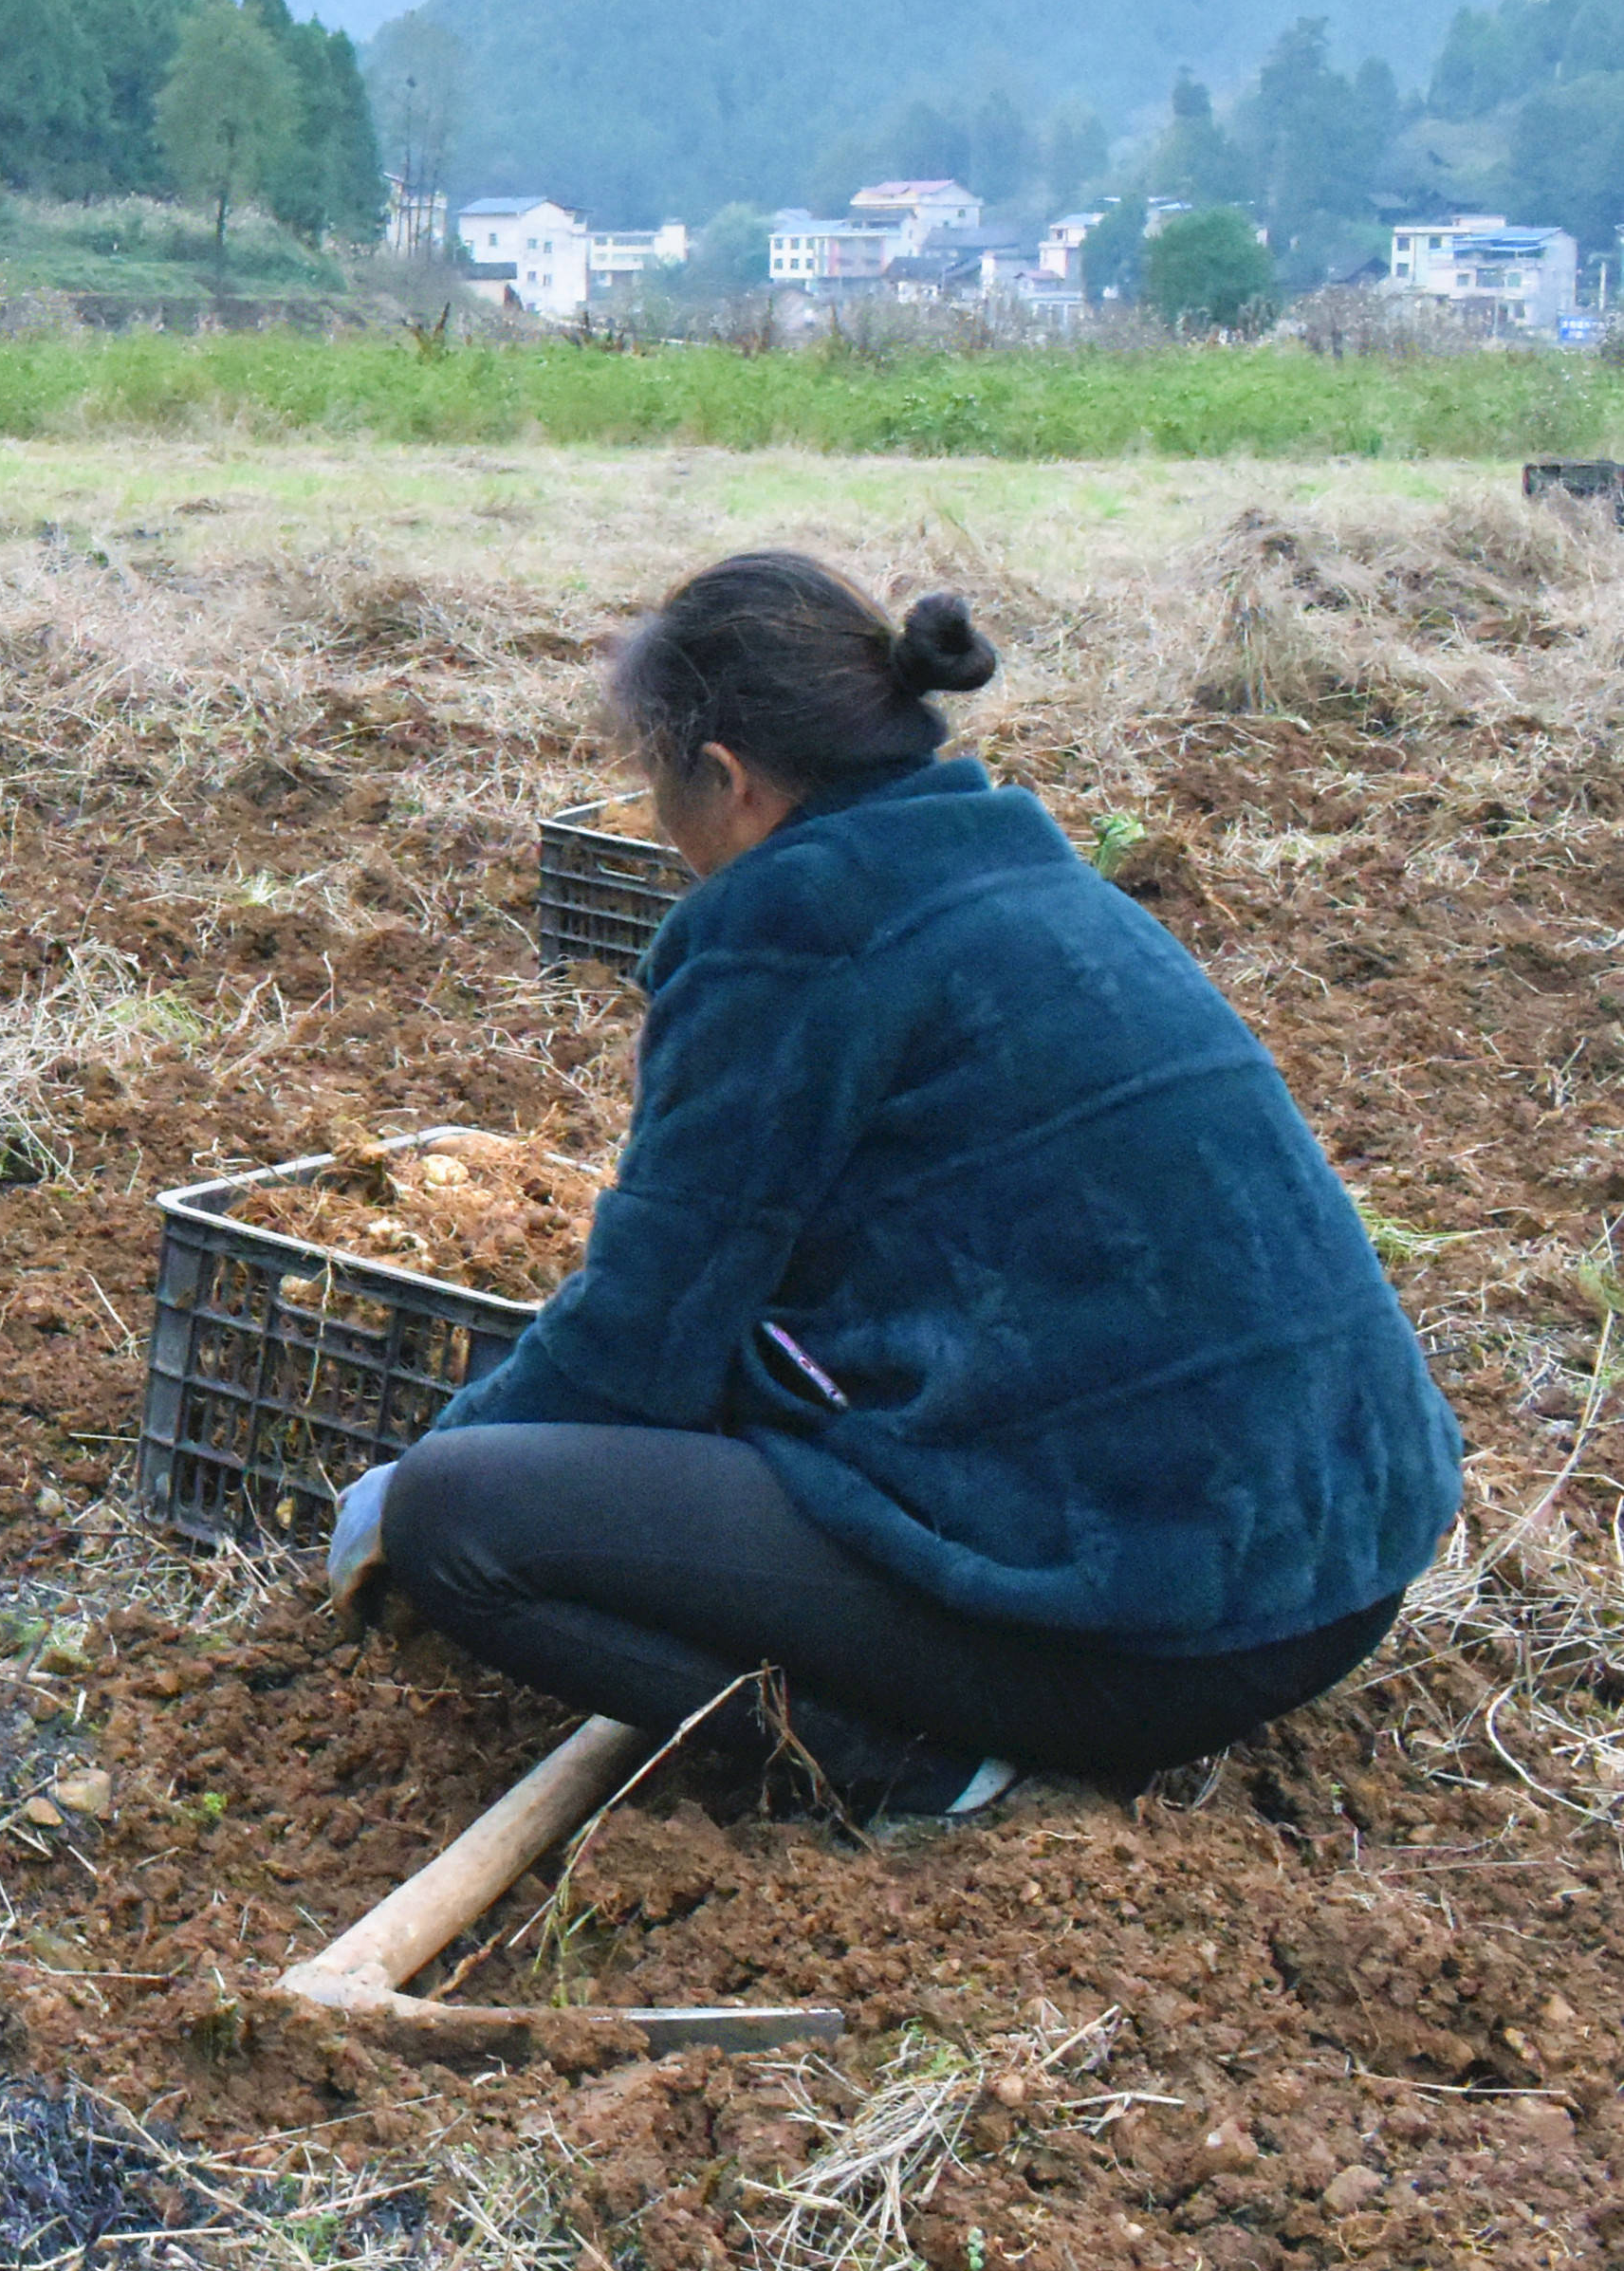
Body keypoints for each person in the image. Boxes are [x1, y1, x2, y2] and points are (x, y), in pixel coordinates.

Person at [334, 555, 1464, 1817]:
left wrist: (413, 1477)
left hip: (1143, 1634)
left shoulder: (790, 929)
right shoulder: (1015, 871)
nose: (664, 839)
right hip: (1333, 1570)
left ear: (726, 777)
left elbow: (640, 1337)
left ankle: (923, 1768)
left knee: (461, 1519)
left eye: (661, 796)